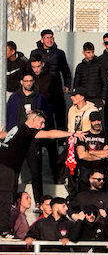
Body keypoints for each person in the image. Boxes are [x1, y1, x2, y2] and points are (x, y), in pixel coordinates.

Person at [0, 113, 82, 238]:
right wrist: (71, 133)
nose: (42, 126)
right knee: (5, 199)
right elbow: (49, 134)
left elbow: (3, 135)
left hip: (5, 166)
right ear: (33, 120)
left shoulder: (17, 127)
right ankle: (4, 231)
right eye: (41, 123)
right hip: (6, 167)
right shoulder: (27, 130)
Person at [6, 73, 55, 204]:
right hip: (17, 141)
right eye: (26, 81)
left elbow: (47, 117)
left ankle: (39, 202)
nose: (28, 83)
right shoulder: (14, 98)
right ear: (21, 82)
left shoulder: (40, 98)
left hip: (33, 140)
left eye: (30, 81)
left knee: (36, 173)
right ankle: (12, 202)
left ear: (34, 81)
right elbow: (8, 116)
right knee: (14, 173)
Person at [30, 29, 71, 128]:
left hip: (56, 88)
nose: (49, 40)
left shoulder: (59, 53)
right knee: (43, 115)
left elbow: (66, 71)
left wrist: (67, 84)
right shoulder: (35, 53)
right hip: (41, 89)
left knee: (60, 116)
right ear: (42, 39)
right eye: (46, 38)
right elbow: (31, 71)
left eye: (51, 37)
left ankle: (61, 141)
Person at [75, 111, 108, 188]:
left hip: (101, 169)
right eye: (94, 120)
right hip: (86, 170)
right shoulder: (83, 136)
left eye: (98, 120)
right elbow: (81, 155)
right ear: (90, 121)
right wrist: (101, 154)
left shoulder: (107, 136)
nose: (97, 122)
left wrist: (89, 152)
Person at [72, 42, 107, 109]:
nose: (91, 54)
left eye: (92, 52)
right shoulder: (80, 67)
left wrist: (103, 98)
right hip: (84, 98)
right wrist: (76, 97)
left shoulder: (100, 65)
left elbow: (105, 82)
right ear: (83, 52)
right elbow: (76, 84)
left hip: (97, 98)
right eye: (88, 52)